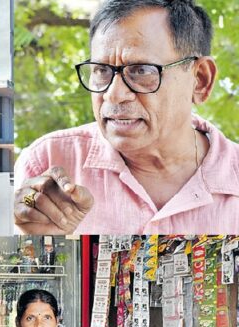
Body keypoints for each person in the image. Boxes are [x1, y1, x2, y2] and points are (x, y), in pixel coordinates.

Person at [14, 0, 239, 235]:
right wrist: (31, 235)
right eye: (101, 70)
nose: (113, 95)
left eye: (141, 70)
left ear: (200, 80)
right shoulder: (46, 163)